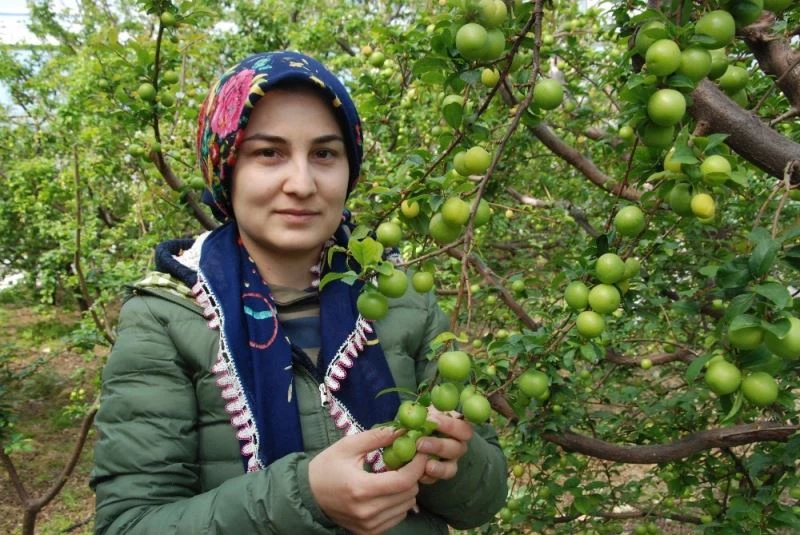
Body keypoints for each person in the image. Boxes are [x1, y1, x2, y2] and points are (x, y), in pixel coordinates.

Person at [90, 50, 507, 534]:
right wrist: (305, 498)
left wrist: (452, 461)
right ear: (227, 167)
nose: (302, 184)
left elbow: (483, 500)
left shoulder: (401, 297)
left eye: (325, 154)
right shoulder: (166, 318)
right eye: (269, 153)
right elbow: (129, 524)